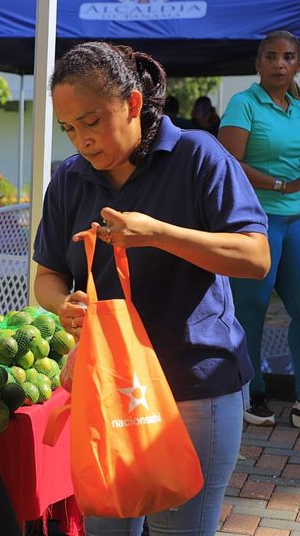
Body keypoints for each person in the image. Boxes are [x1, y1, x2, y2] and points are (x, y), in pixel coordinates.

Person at [33, 41, 270, 535]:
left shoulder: (197, 155)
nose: (82, 141)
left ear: (133, 104)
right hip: (109, 391)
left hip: (195, 387)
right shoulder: (69, 179)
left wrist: (159, 234)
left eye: (92, 122)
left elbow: (255, 257)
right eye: (69, 129)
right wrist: (63, 303)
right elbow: (49, 275)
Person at [218, 30, 300, 428]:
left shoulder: (299, 107)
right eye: (271, 56)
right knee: (250, 311)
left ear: (297, 63)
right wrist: (280, 185)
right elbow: (227, 162)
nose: (280, 64)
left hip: (298, 220)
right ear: (258, 63)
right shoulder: (243, 104)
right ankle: (252, 393)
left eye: (288, 57)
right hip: (256, 222)